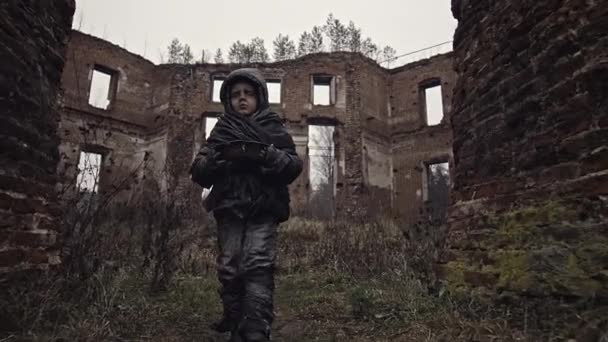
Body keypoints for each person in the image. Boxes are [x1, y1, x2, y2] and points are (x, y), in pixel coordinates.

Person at [190, 68, 302, 341]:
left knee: (257, 262)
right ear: (227, 100)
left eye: (248, 94)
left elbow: (293, 165)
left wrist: (268, 155)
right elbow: (199, 170)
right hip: (229, 208)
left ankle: (255, 329)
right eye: (235, 94)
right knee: (229, 266)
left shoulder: (272, 126)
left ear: (260, 97)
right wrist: (216, 161)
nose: (242, 99)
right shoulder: (222, 129)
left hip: (263, 208)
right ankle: (235, 320)